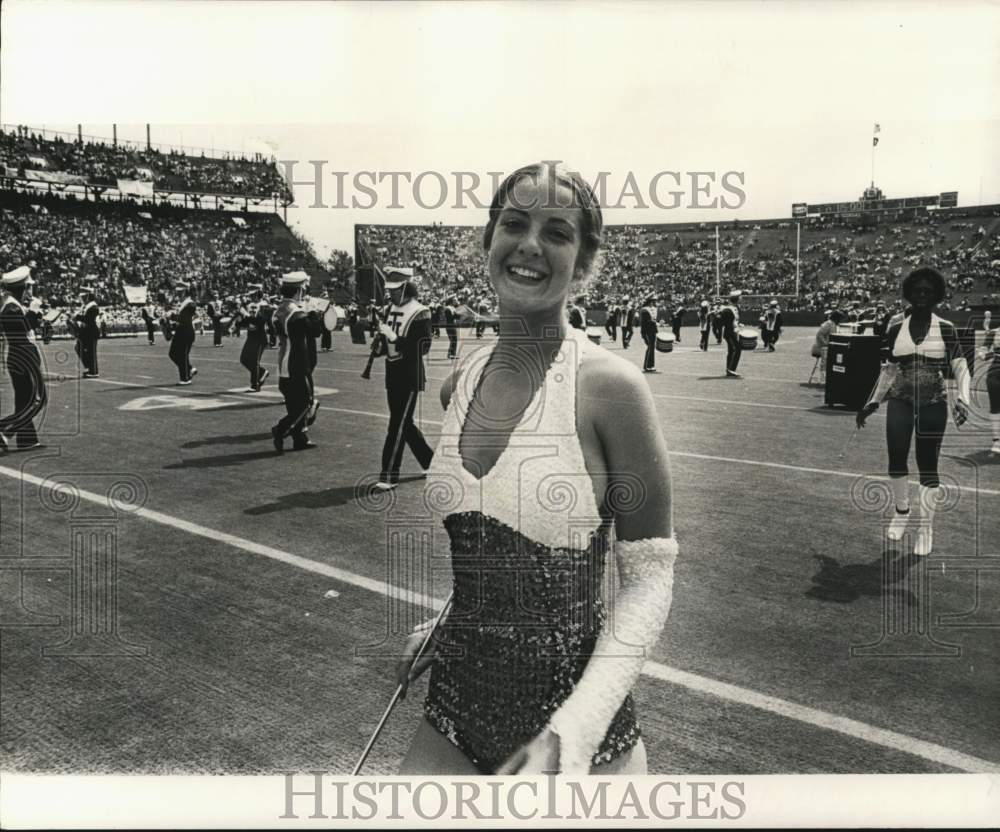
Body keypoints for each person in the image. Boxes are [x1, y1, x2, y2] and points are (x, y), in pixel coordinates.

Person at [394, 162, 677, 776]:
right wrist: (451, 621)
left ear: (583, 261)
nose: (529, 244)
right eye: (514, 224)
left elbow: (650, 581)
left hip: (579, 740)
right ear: (488, 241)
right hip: (453, 711)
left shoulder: (611, 389)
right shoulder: (459, 383)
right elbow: (488, 536)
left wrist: (571, 734)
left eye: (557, 232)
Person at [857, 267, 970, 556]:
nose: (921, 296)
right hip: (901, 399)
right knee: (896, 456)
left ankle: (925, 529)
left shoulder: (945, 327)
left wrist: (964, 398)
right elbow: (890, 369)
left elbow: (960, 366)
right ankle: (901, 510)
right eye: (917, 291)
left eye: (927, 291)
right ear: (908, 293)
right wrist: (873, 401)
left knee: (927, 463)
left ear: (936, 296)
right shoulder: (896, 328)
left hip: (933, 401)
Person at [374, 269, 434, 490]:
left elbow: (423, 347)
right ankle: (431, 462)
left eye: (395, 290)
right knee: (404, 424)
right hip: (393, 372)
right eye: (390, 291)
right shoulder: (390, 309)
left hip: (409, 375)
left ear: (407, 288)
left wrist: (394, 339)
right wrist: (380, 345)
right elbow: (387, 345)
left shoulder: (421, 312)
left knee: (396, 425)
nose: (391, 295)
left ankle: (389, 475)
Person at [271, 272, 324, 453]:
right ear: (299, 290)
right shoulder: (297, 314)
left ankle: (300, 438)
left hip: (283, 360)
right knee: (306, 403)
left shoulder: (279, 310)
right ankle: (280, 429)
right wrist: (315, 312)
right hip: (297, 361)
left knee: (293, 402)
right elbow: (315, 332)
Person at [0, 266, 46, 452]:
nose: (30, 292)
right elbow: (22, 330)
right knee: (38, 399)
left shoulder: (12, 305)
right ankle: (4, 430)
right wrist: (34, 313)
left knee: (24, 400)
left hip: (20, 355)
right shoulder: (11, 307)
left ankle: (27, 439)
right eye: (28, 288)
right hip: (23, 355)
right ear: (22, 288)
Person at [239, 290, 271, 392]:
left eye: (253, 295)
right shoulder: (250, 307)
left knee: (254, 361)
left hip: (260, 338)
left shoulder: (263, 308)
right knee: (244, 359)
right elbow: (244, 322)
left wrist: (247, 316)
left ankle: (255, 384)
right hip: (251, 337)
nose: (251, 297)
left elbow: (260, 322)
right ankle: (262, 372)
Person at [978, 312, 999, 455]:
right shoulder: (995, 333)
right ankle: (997, 440)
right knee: (996, 407)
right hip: (996, 374)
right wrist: (990, 354)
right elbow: (982, 353)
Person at [168, 282, 198, 385]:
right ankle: (189, 368)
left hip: (186, 331)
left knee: (182, 355)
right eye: (178, 292)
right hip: (180, 331)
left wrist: (171, 317)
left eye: (181, 292)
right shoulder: (181, 303)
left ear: (186, 291)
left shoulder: (190, 304)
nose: (179, 294)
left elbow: (184, 319)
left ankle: (185, 378)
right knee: (173, 354)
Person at [73, 287, 100, 378]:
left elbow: (89, 320)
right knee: (78, 347)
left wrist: (78, 317)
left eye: (84, 297)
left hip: (91, 331)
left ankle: (93, 371)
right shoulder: (86, 307)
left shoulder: (93, 307)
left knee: (91, 352)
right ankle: (89, 366)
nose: (82, 300)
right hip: (86, 331)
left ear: (88, 297)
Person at [719, 290, 743, 377]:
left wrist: (738, 324)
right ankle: (731, 369)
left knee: (732, 350)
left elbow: (733, 320)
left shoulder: (735, 308)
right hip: (730, 332)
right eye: (740, 297)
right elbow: (723, 322)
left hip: (733, 332)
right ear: (737, 298)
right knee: (736, 349)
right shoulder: (728, 309)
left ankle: (730, 369)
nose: (741, 298)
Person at [639, 294, 659, 372]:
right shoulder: (644, 310)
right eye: (653, 301)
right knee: (650, 347)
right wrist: (656, 323)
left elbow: (652, 320)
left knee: (651, 347)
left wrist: (658, 323)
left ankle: (650, 365)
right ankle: (647, 366)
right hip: (647, 331)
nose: (655, 303)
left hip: (653, 330)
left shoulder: (653, 309)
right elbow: (646, 322)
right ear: (650, 302)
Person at [444, 295, 459, 359]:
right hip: (450, 325)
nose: (456, 302)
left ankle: (450, 354)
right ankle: (452, 354)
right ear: (451, 301)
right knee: (454, 339)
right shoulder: (448, 308)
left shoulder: (452, 308)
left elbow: (457, 317)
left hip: (452, 324)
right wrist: (456, 315)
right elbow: (450, 318)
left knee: (453, 340)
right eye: (455, 300)